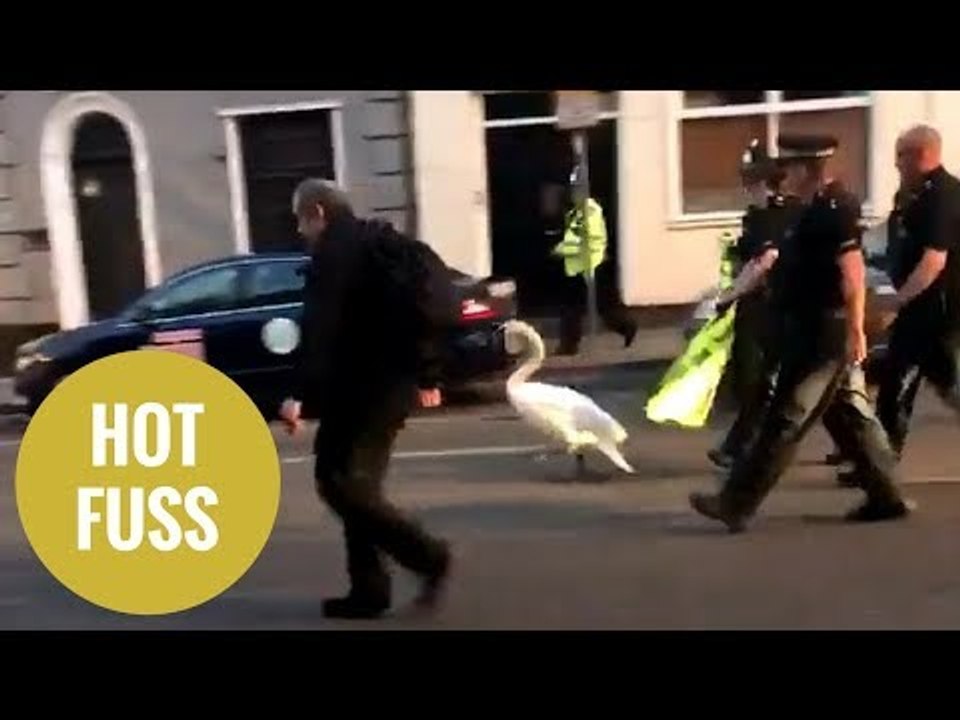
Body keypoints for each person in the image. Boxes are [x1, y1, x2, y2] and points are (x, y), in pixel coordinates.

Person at [689, 134, 914, 533]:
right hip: (806, 330)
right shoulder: (808, 210)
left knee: (787, 417)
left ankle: (735, 502)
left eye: (787, 168)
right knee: (848, 419)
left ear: (805, 168)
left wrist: (857, 330)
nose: (781, 176)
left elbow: (852, 274)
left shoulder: (834, 209)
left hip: (824, 335)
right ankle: (886, 496)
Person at [279, 178, 454, 619]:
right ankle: (368, 591)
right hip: (387, 385)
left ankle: (428, 556)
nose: (301, 231)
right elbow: (419, 310)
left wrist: (298, 393)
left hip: (362, 388)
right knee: (359, 484)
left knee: (337, 481)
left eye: (301, 219)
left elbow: (321, 327)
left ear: (318, 212)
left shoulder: (334, 252)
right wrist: (428, 373)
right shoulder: (379, 242)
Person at [707, 139, 804, 469]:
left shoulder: (779, 214)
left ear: (765, 180)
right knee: (762, 381)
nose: (745, 186)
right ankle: (739, 446)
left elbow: (764, 262)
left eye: (750, 179)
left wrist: (728, 296)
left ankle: (742, 448)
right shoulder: (757, 216)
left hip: (771, 306)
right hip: (759, 306)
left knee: (760, 380)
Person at [870, 125, 960, 462]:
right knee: (900, 385)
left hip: (937, 310)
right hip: (920, 308)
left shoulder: (944, 196)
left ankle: (879, 462)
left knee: (912, 383)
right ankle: (879, 460)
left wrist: (896, 301)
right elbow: (903, 244)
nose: (895, 164)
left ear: (921, 155)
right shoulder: (914, 195)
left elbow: (934, 260)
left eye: (901, 156)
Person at [541, 174, 638, 355]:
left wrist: (562, 250)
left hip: (592, 265)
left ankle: (627, 327)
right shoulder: (576, 211)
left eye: (576, 190)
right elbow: (574, 238)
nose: (573, 194)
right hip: (577, 267)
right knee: (571, 309)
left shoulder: (589, 210)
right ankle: (569, 345)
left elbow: (588, 239)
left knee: (604, 307)